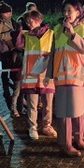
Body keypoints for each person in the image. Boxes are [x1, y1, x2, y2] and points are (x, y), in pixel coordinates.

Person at [47, 0, 84, 157]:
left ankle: (78, 139)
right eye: (64, 11)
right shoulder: (57, 29)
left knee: (78, 109)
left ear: (78, 12)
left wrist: (72, 33)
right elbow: (53, 54)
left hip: (78, 76)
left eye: (70, 11)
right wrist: (49, 75)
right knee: (63, 111)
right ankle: (65, 144)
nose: (66, 14)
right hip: (61, 76)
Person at [16, 10, 57, 140]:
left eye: (31, 21)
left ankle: (47, 126)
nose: (29, 24)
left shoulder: (51, 34)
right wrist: (19, 31)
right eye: (27, 22)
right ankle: (32, 127)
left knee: (48, 104)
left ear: (39, 20)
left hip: (46, 74)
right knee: (32, 105)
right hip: (31, 75)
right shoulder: (26, 35)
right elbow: (18, 45)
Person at [0, 1, 19, 108]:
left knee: (13, 71)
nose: (9, 14)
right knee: (5, 71)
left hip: (13, 49)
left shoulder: (12, 20)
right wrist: (11, 34)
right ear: (1, 13)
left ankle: (12, 89)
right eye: (7, 13)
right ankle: (6, 91)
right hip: (5, 50)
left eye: (10, 12)